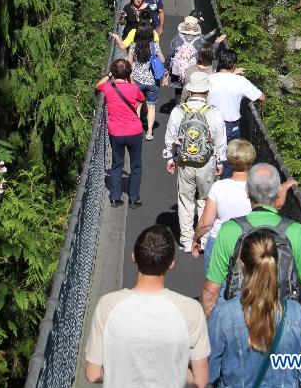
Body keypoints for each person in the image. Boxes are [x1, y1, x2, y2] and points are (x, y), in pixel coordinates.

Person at [201, 163, 301, 317]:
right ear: (279, 193)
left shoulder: (230, 230)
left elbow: (211, 292)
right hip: (282, 320)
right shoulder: (295, 231)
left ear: (247, 191)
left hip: (239, 318)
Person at [85, 224, 210, 388]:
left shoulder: (107, 305)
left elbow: (92, 374)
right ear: (171, 264)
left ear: (133, 257)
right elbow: (200, 380)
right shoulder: (191, 310)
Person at [208, 230, 301, 387]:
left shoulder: (224, 314)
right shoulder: (296, 313)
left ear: (242, 265)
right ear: (275, 264)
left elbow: (209, 375)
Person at [163, 70, 227, 253]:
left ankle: (186, 239)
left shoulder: (178, 111)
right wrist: (220, 162)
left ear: (190, 90)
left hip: (184, 161)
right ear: (207, 91)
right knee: (205, 200)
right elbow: (220, 140)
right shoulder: (213, 112)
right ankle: (204, 240)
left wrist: (170, 157)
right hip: (206, 162)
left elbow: (170, 137)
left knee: (185, 200)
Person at [192, 139, 256, 272]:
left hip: (219, 240)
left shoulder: (219, 187)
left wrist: (196, 238)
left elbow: (205, 223)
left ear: (230, 161)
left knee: (216, 287)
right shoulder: (256, 188)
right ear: (251, 161)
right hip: (247, 242)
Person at [207, 48, 266, 178]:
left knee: (209, 155)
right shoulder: (240, 82)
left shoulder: (209, 79)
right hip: (230, 126)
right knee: (229, 159)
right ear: (234, 66)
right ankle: (224, 188)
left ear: (219, 63)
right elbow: (262, 97)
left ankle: (208, 186)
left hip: (209, 124)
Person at [95, 59, 144, 208]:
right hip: (134, 131)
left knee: (117, 164)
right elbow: (142, 98)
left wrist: (109, 75)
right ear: (128, 73)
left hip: (115, 132)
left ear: (113, 72)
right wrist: (131, 79)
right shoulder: (133, 88)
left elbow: (97, 86)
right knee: (136, 166)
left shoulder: (108, 87)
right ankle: (133, 198)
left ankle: (115, 197)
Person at [127, 19, 166, 140]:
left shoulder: (133, 46)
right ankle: (149, 132)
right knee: (151, 106)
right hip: (153, 82)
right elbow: (163, 60)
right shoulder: (154, 45)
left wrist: (131, 80)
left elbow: (128, 64)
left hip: (137, 81)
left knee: (137, 106)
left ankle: (136, 131)